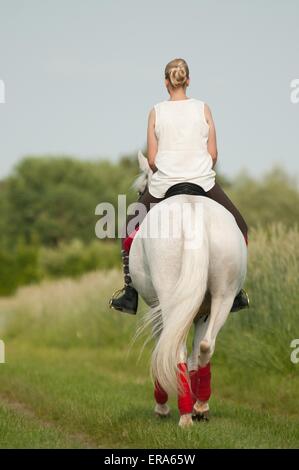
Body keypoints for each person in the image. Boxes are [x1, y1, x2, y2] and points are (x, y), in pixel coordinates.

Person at [109, 57, 249, 315]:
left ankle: (129, 293)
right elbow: (214, 154)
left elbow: (151, 160)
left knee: (128, 227)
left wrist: (168, 169)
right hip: (203, 182)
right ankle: (236, 291)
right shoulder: (203, 108)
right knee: (240, 226)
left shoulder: (156, 111)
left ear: (165, 83)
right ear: (188, 80)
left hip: (164, 184)